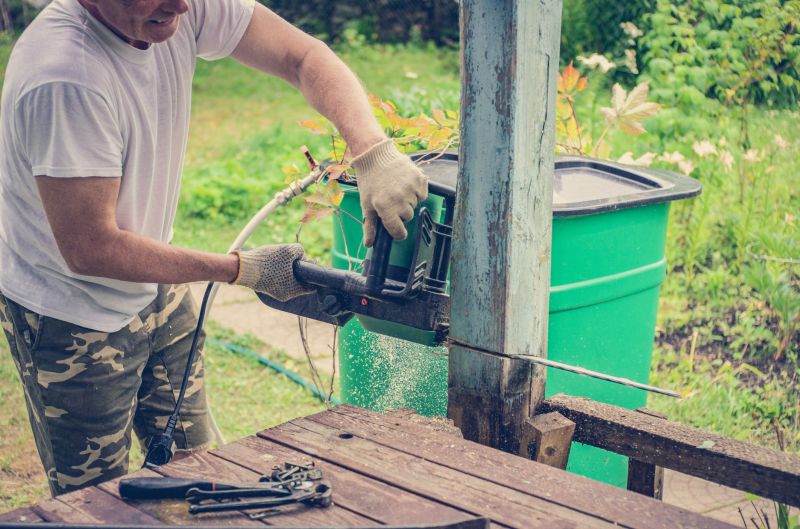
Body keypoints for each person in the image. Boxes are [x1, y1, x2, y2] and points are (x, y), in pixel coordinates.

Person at [0, 0, 428, 496]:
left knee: (196, 468)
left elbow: (302, 57)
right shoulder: (65, 78)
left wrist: (372, 149)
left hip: (156, 281)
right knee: (97, 501)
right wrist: (241, 270)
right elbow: (92, 249)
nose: (183, 5)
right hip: (73, 315)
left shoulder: (173, 8)